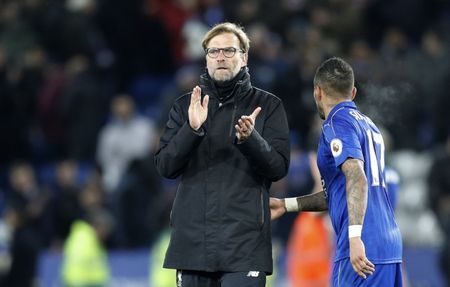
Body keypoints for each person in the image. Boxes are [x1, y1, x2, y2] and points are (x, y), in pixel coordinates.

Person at [154, 22, 290, 287]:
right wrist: (191, 130)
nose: (221, 58)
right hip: (193, 246)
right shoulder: (185, 106)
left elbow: (278, 168)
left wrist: (251, 140)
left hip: (245, 246)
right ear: (205, 59)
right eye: (213, 52)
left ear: (244, 56)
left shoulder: (269, 106)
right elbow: (165, 167)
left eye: (229, 50)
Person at [270, 57, 403, 286]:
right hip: (389, 244)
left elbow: (357, 177)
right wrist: (287, 205)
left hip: (361, 245)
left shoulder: (336, 123)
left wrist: (354, 237)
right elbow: (341, 191)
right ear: (352, 93)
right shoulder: (369, 125)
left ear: (317, 92)